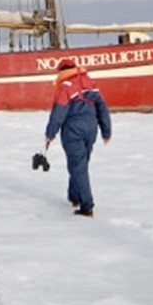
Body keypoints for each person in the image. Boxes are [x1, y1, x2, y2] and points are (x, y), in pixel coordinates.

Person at [43, 58, 112, 217]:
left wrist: (50, 134)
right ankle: (74, 196)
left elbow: (59, 113)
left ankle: (86, 206)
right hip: (91, 129)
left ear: (62, 71)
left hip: (73, 129)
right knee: (81, 164)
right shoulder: (91, 84)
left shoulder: (65, 87)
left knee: (77, 166)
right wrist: (106, 131)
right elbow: (102, 107)